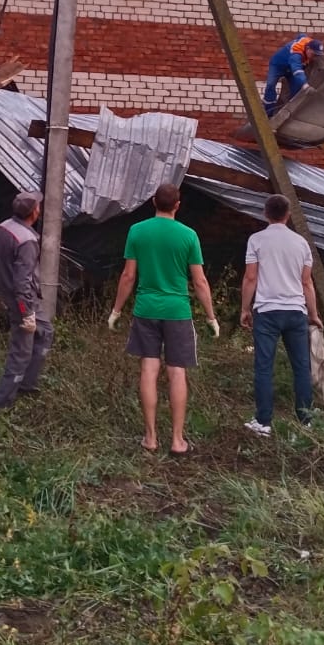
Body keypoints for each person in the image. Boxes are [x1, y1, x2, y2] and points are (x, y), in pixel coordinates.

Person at [108, 183, 219, 456]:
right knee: (177, 371)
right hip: (177, 311)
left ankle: (150, 437)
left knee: (148, 369)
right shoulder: (189, 235)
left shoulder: (137, 231)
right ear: (178, 205)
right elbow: (200, 281)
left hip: (146, 309)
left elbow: (128, 276)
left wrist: (116, 310)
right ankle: (178, 440)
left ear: (153, 201)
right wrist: (210, 316)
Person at [240, 194, 322, 436]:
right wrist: (313, 314)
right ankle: (305, 418)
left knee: (264, 367)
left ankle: (263, 421)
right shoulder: (301, 243)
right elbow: (307, 283)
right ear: (288, 214)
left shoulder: (256, 240)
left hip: (266, 311)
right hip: (296, 311)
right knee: (301, 366)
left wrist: (245, 308)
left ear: (266, 213)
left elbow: (251, 277)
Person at [0, 190, 54, 410]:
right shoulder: (27, 241)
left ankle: (27, 384)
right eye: (38, 205)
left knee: (45, 333)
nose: (40, 208)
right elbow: (22, 281)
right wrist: (26, 313)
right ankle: (2, 403)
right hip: (23, 301)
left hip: (16, 296)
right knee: (21, 351)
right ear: (34, 212)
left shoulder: (5, 227)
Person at [263, 35, 324, 116]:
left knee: (296, 89)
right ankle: (269, 112)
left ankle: (289, 112)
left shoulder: (310, 43)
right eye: (314, 54)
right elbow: (296, 69)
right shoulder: (296, 53)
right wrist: (305, 85)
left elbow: (301, 35)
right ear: (308, 49)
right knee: (270, 85)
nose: (314, 57)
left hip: (290, 69)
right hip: (278, 65)